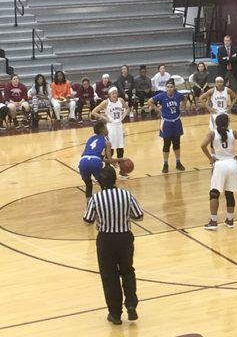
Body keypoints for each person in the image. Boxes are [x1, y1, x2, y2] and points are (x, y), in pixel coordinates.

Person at [83, 165, 143, 325]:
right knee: (127, 271)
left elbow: (87, 221)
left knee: (110, 276)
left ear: (100, 182)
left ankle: (115, 314)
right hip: (125, 238)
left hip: (106, 240)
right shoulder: (126, 195)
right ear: (115, 179)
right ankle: (131, 305)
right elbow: (139, 216)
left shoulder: (96, 199)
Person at [201, 114, 237, 230]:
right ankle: (230, 220)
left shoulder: (212, 134)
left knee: (214, 193)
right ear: (227, 122)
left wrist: (210, 157)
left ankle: (213, 221)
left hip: (220, 164)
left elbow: (202, 145)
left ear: (217, 123)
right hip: (232, 164)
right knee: (229, 193)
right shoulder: (233, 133)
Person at [148, 80, 186, 173]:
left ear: (174, 87)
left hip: (176, 121)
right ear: (166, 88)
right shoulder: (162, 95)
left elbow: (184, 98)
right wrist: (157, 110)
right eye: (168, 87)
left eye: (171, 87)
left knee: (177, 143)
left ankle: (178, 162)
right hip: (166, 123)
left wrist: (182, 107)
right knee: (166, 144)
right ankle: (165, 163)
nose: (169, 88)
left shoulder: (178, 95)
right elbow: (150, 101)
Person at [91, 87, 130, 178]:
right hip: (110, 128)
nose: (115, 95)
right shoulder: (106, 102)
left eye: (116, 93)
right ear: (109, 95)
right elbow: (94, 112)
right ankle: (105, 172)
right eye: (113, 93)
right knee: (110, 151)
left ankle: (122, 171)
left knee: (120, 149)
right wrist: (104, 118)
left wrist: (123, 116)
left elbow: (127, 109)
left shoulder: (121, 100)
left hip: (119, 126)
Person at [78, 120, 117, 199]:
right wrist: (122, 160)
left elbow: (86, 154)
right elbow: (109, 160)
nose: (107, 129)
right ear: (103, 130)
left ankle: (89, 207)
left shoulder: (90, 139)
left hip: (83, 162)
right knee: (104, 184)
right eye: (106, 127)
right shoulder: (107, 142)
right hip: (95, 162)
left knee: (88, 185)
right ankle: (107, 203)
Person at [217, 35, 237, 112]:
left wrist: (227, 58)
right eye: (225, 41)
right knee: (221, 89)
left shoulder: (235, 49)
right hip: (224, 72)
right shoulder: (220, 49)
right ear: (224, 41)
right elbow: (220, 61)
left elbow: (236, 58)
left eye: (228, 41)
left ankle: (234, 106)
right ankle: (222, 105)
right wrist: (231, 58)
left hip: (233, 72)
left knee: (233, 90)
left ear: (231, 41)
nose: (226, 42)